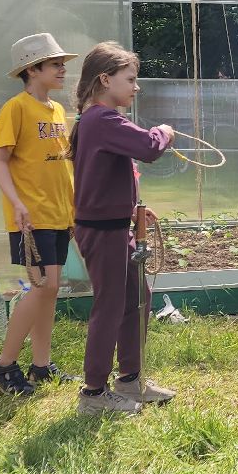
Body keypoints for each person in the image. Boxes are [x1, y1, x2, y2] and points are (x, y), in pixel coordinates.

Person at [70, 41, 177, 416]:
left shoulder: (95, 121)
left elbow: (98, 179)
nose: (136, 87)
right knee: (112, 306)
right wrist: (164, 131)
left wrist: (132, 210)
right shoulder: (103, 119)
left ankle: (130, 379)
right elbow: (148, 146)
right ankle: (94, 394)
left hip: (115, 224)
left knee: (137, 299)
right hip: (102, 231)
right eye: (130, 79)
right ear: (104, 79)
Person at [0, 33, 77, 396]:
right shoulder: (16, 108)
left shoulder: (57, 110)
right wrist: (17, 202)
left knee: (51, 291)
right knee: (43, 287)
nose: (62, 70)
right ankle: (4, 365)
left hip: (59, 215)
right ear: (32, 69)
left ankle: (41, 365)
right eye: (55, 64)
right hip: (31, 217)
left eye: (62, 64)